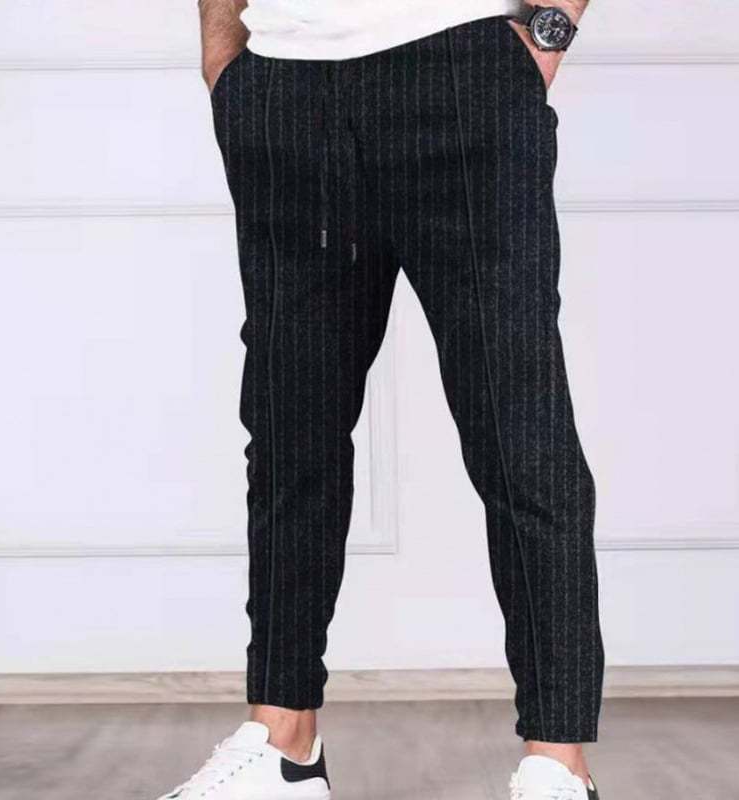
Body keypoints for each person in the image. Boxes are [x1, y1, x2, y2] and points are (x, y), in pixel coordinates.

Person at [157, 1, 602, 798]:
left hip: (461, 70)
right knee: (291, 435)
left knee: (519, 433)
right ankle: (284, 746)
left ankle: (557, 760)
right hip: (284, 89)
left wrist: (545, 32)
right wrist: (225, 63)